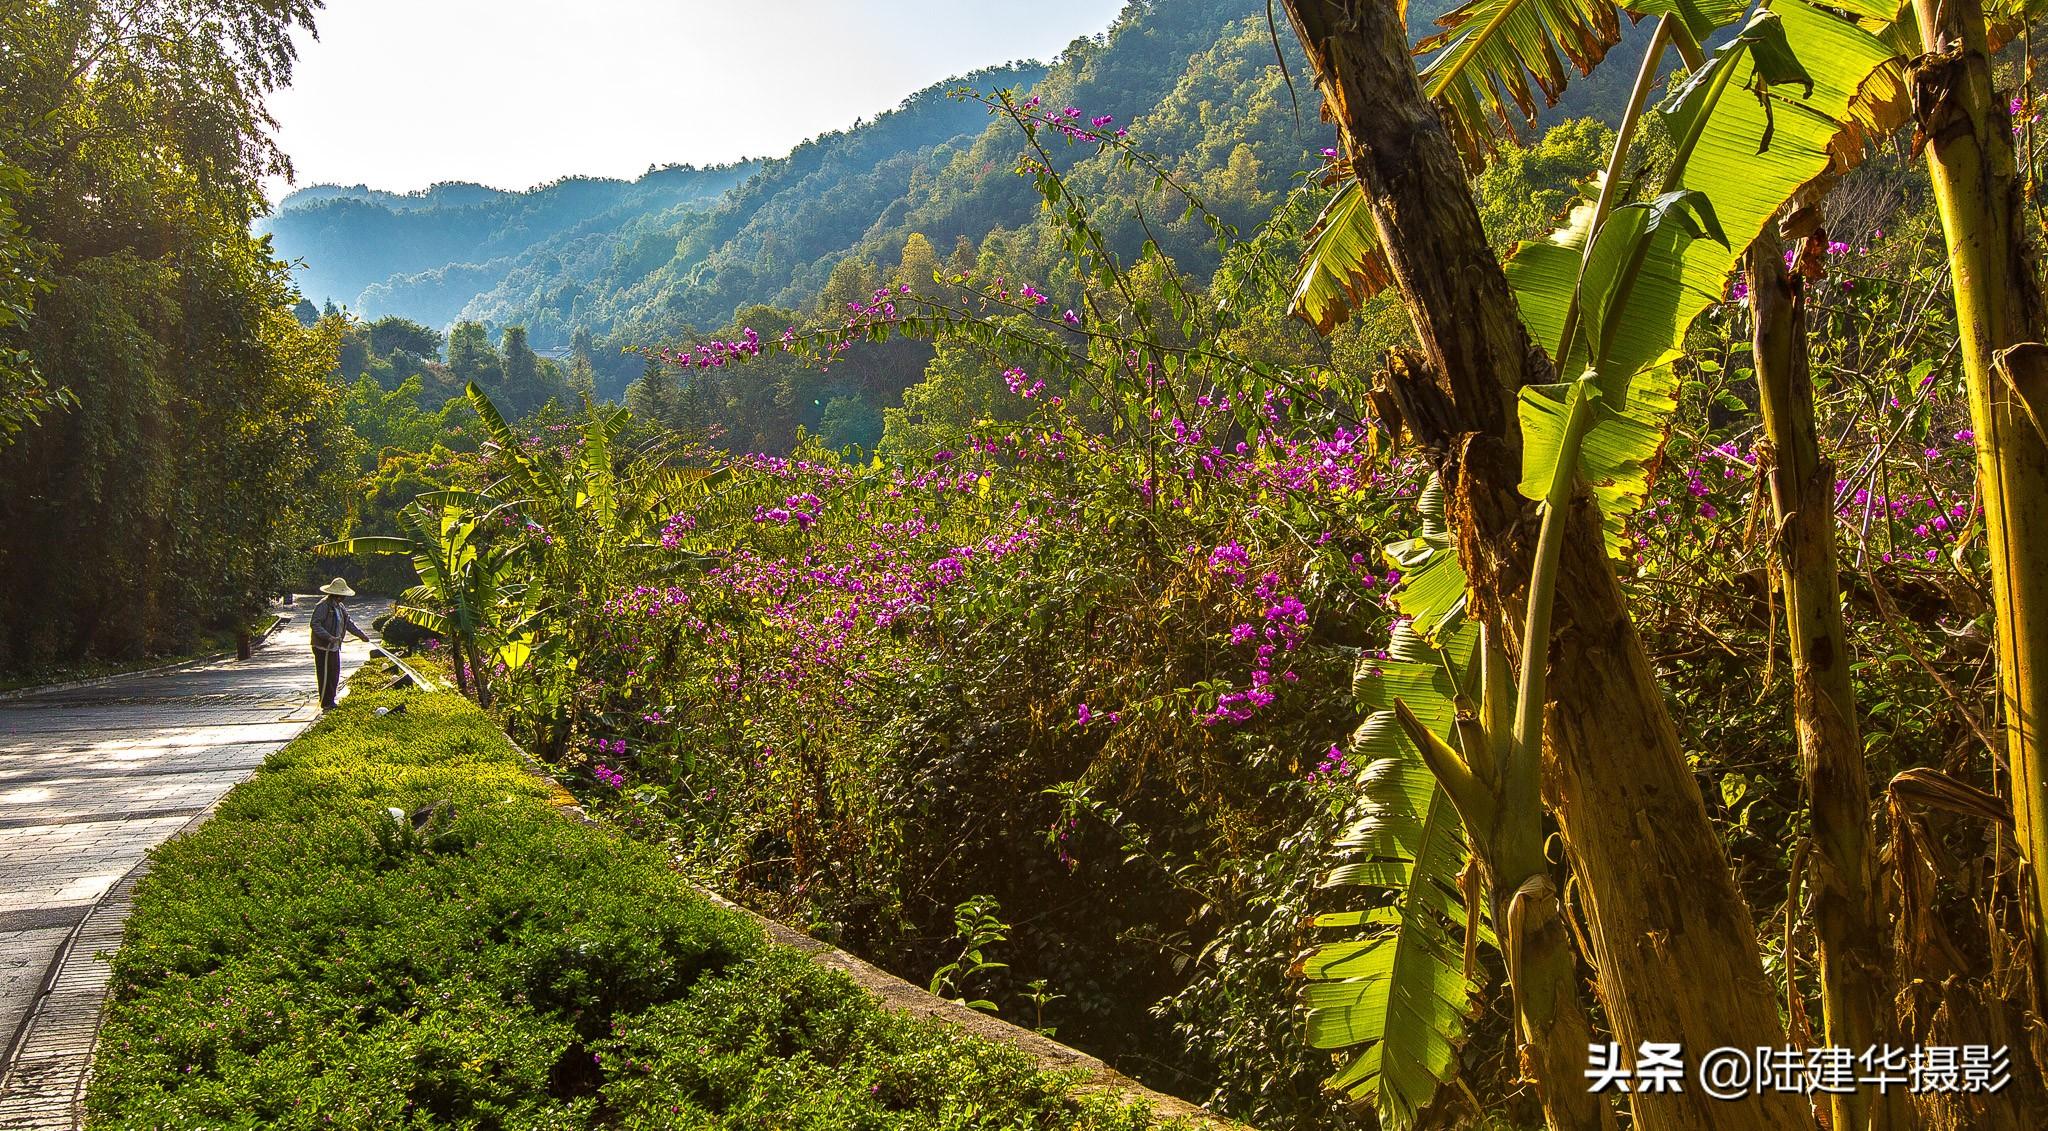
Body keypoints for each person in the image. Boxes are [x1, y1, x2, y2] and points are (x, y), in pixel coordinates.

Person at [310, 577, 371, 710]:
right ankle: (326, 702)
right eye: (340, 595)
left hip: (334, 646)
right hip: (323, 647)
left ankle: (330, 699)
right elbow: (315, 623)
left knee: (334, 672)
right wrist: (328, 637)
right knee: (325, 673)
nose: (342, 598)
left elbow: (348, 623)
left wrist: (361, 635)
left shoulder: (340, 607)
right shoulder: (323, 606)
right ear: (334, 594)